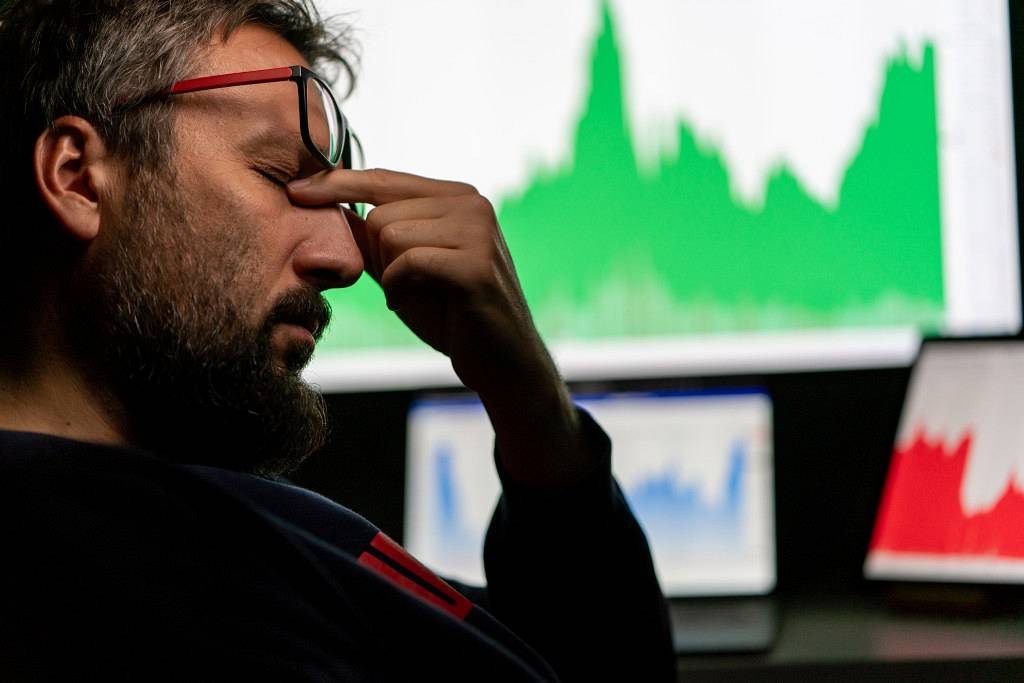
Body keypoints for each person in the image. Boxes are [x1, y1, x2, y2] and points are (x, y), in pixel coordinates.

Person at [0, 0, 674, 679]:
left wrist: (527, 400)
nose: (345, 258)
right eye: (279, 179)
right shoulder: (151, 595)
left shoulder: (181, 535)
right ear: (77, 176)